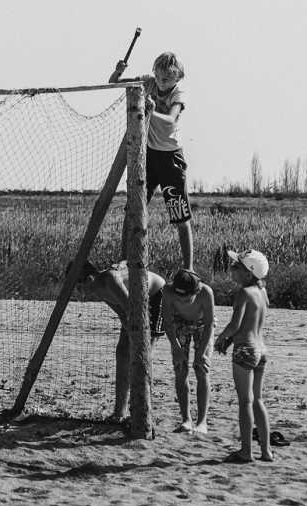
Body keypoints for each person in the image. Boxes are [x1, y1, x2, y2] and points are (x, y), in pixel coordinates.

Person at [109, 52, 193, 271]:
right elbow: (114, 83)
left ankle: (188, 268)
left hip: (169, 157)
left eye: (166, 79)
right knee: (133, 209)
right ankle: (125, 259)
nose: (161, 82)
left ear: (177, 78)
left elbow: (170, 121)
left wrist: (152, 109)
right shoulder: (148, 81)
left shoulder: (178, 94)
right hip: (147, 155)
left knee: (180, 215)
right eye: (158, 76)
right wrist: (119, 71)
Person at [72, 259, 165, 424]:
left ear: (89, 279)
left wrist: (137, 341)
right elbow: (122, 313)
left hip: (156, 295)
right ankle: (119, 412)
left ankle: (142, 414)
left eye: (78, 286)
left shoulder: (110, 279)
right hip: (136, 306)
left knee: (143, 356)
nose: (78, 291)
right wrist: (130, 334)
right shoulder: (98, 290)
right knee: (122, 353)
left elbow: (131, 307)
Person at [214, 249, 273, 463]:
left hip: (245, 351)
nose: (232, 269)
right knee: (258, 400)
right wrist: (230, 341)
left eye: (236, 266)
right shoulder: (262, 293)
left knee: (245, 402)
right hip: (261, 349)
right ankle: (266, 451)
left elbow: (235, 325)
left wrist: (219, 339)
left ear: (248, 274)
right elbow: (249, 324)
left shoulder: (244, 293)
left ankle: (246, 451)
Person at [162, 269, 215, 434]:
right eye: (179, 299)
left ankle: (202, 422)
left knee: (201, 370)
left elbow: (209, 324)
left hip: (202, 326)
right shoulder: (168, 291)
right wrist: (176, 349)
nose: (182, 302)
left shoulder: (206, 293)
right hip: (179, 324)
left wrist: (200, 354)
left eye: (186, 299)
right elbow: (167, 321)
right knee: (180, 369)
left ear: (197, 291)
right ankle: (186, 420)